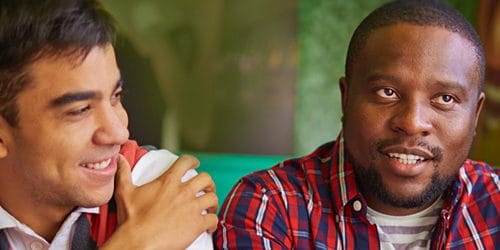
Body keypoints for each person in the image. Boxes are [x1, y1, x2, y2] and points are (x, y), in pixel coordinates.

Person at [214, 0, 499, 249]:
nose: (412, 123)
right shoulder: (272, 205)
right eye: (387, 92)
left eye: (445, 98)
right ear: (346, 98)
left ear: (475, 115)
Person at [0, 0, 218, 249]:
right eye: (80, 110)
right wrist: (136, 243)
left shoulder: (161, 190)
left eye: (116, 96)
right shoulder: (155, 225)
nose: (119, 132)